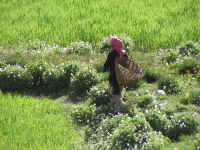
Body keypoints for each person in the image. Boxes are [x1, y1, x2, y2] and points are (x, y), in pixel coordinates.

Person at [102, 37, 128, 106]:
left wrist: (105, 68)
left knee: (112, 92)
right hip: (122, 75)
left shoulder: (113, 54)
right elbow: (126, 63)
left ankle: (121, 104)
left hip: (114, 76)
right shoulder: (124, 53)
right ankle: (118, 104)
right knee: (120, 90)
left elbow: (107, 63)